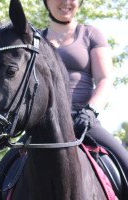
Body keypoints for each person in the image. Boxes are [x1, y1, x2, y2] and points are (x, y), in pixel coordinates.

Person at [42, 0, 128, 193]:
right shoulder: (36, 40)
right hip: (45, 125)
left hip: (84, 122)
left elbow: (105, 79)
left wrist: (90, 112)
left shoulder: (91, 34)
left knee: (126, 164)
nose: (65, 2)